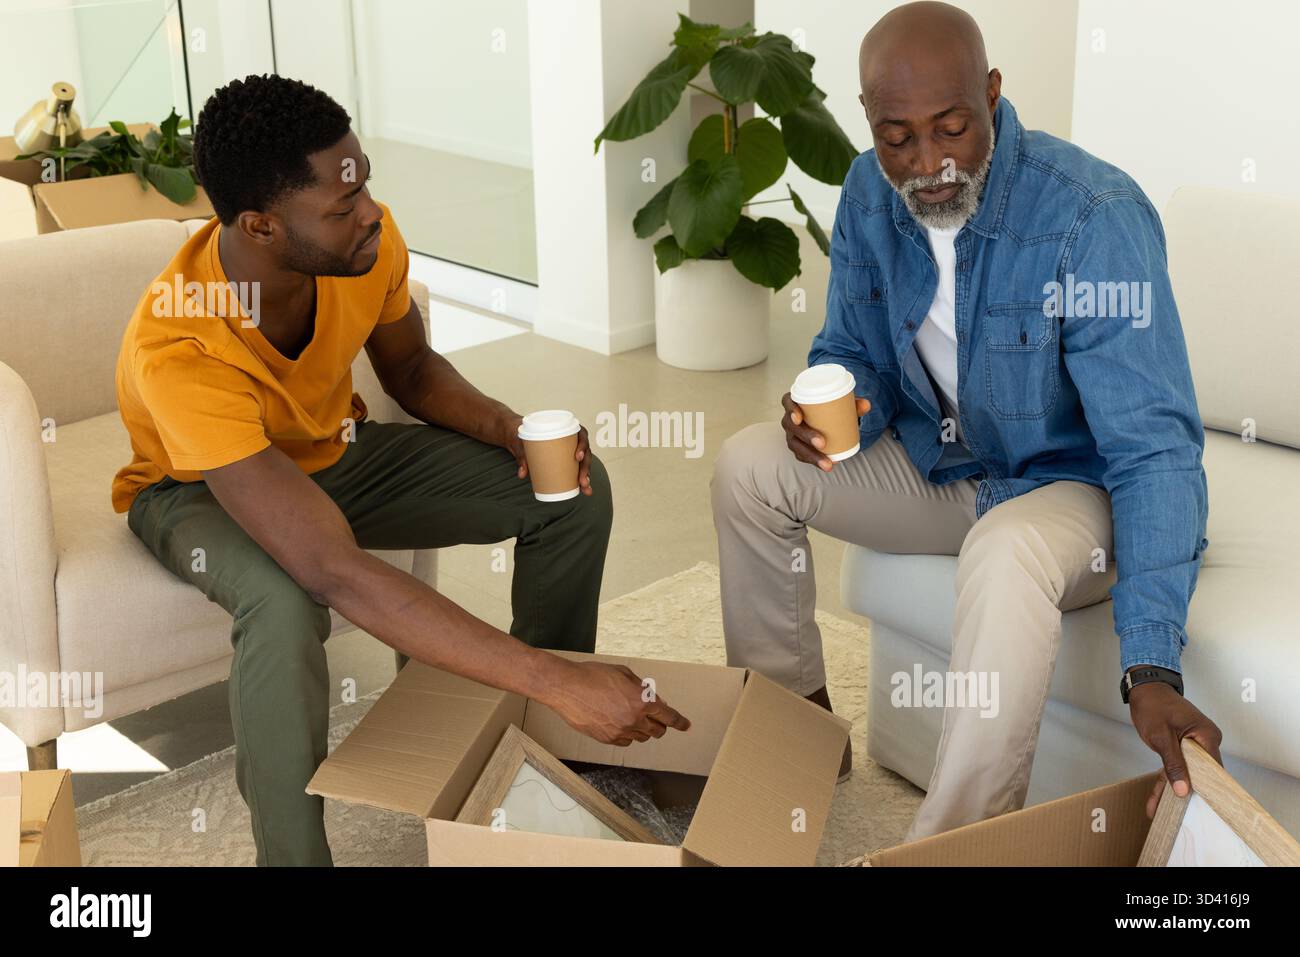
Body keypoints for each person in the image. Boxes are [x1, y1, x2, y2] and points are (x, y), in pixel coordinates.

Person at [111, 74, 688, 866]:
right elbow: (331, 570)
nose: (371, 213)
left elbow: (410, 370)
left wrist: (510, 429)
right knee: (281, 603)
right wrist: (555, 675)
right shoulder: (179, 346)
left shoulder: (365, 243)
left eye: (366, 186)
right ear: (262, 226)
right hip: (197, 485)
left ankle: (548, 750)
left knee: (567, 493)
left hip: (333, 451)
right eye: (342, 207)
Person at [711, 1, 1219, 841]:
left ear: (992, 93)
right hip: (948, 464)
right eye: (898, 137)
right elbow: (853, 348)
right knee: (748, 465)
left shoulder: (1093, 218)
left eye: (952, 127)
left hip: (1071, 487)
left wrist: (1151, 663)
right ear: (870, 123)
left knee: (1007, 545)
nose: (929, 164)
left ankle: (951, 849)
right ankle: (789, 738)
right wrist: (827, 403)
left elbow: (1155, 451)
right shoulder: (870, 195)